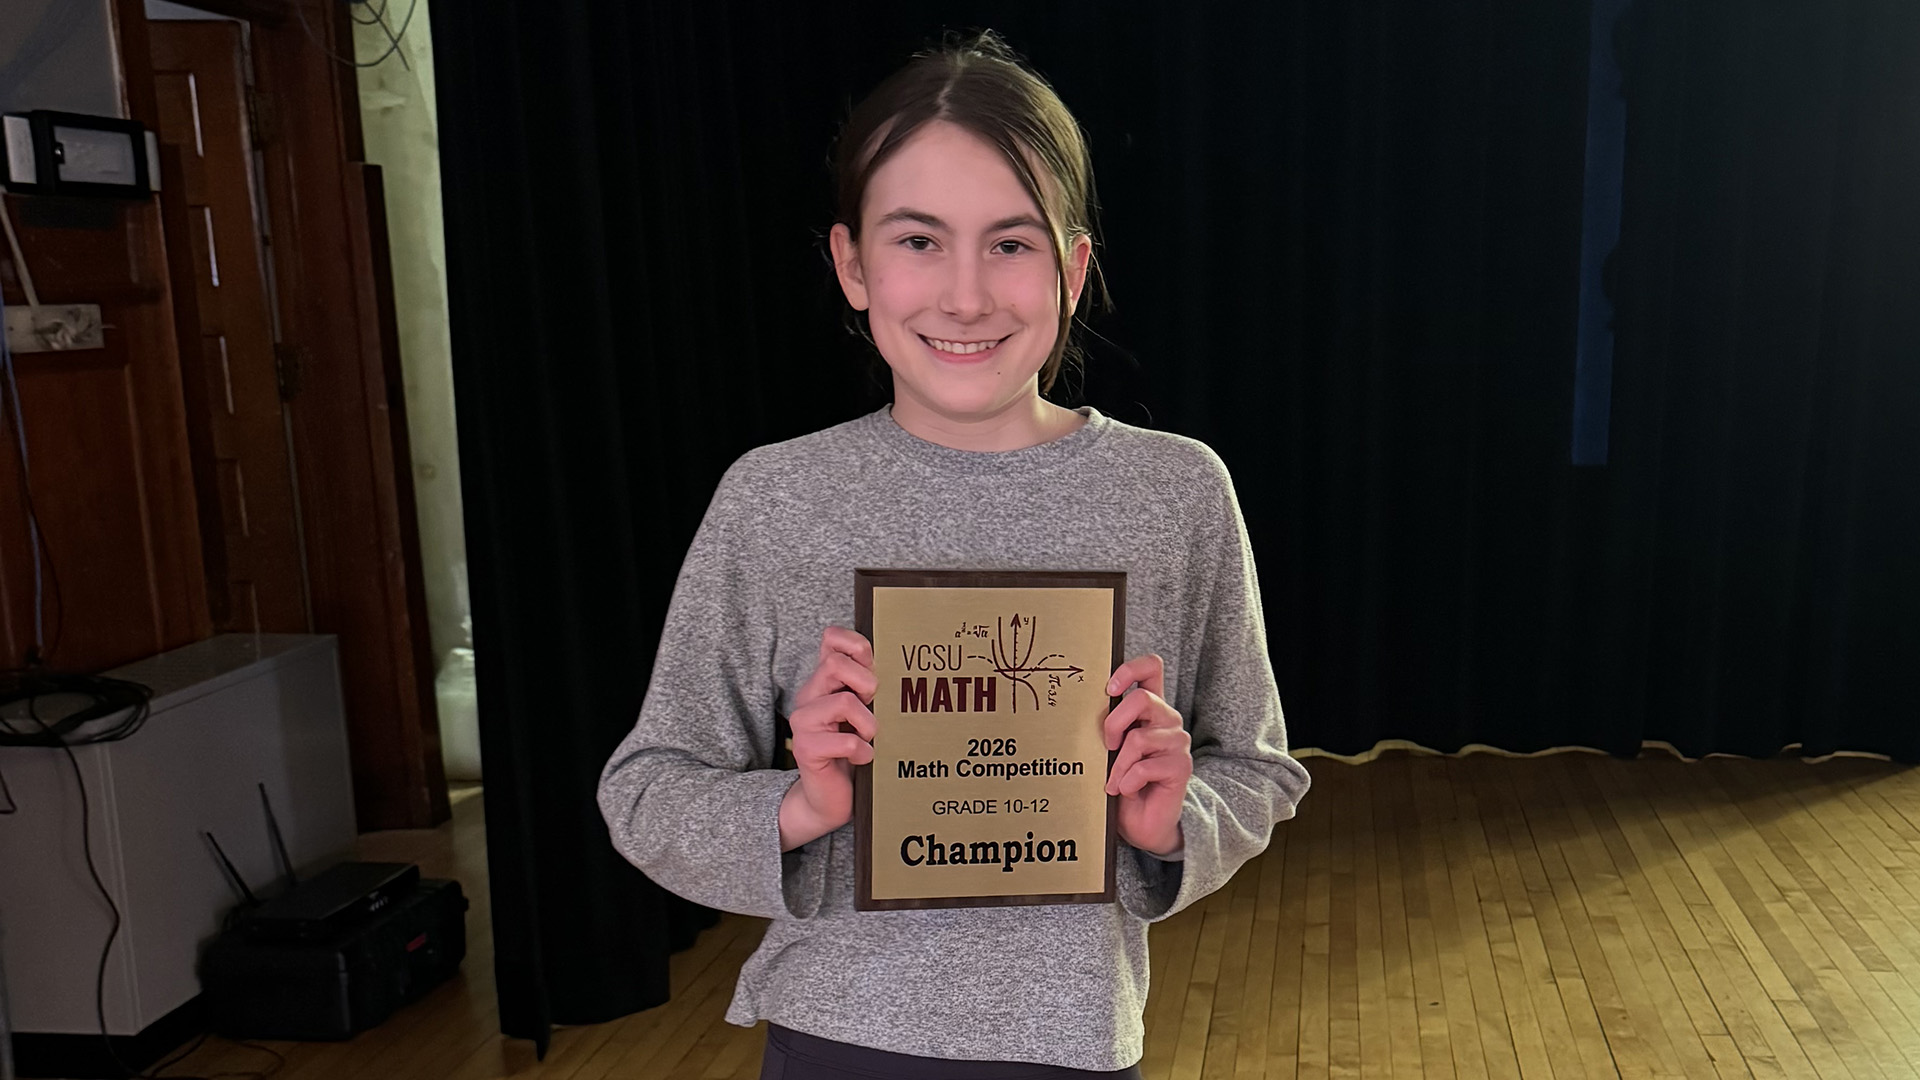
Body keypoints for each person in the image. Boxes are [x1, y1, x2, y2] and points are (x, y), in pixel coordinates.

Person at [598, 31, 1309, 1080]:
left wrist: (1173, 817)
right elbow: (646, 792)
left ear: (1072, 270)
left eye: (1011, 244)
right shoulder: (777, 499)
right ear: (851, 263)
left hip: (1075, 1041)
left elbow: (1258, 765)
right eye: (919, 240)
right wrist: (801, 807)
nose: (966, 295)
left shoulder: (1176, 492)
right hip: (834, 1039)